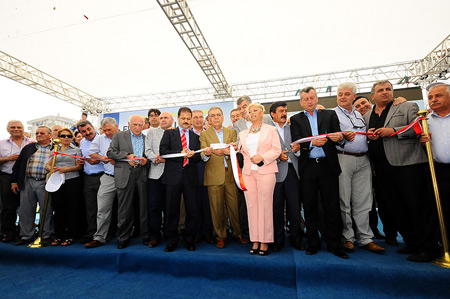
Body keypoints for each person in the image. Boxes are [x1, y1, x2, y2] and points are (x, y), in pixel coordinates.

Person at [364, 80, 440, 262]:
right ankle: (411, 242)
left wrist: (393, 130)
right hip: (382, 170)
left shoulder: (407, 106)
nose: (385, 92)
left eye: (388, 89)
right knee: (396, 208)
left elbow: (419, 127)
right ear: (372, 96)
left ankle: (429, 247)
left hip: (408, 166)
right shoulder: (366, 115)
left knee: (417, 207)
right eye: (380, 90)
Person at [290, 86, 348, 259]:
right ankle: (313, 243)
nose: (309, 101)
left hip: (327, 166)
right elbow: (296, 144)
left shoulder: (329, 115)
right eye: (306, 99)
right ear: (301, 102)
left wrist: (341, 137)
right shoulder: (296, 119)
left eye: (312, 98)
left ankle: (335, 245)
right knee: (310, 206)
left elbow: (339, 138)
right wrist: (312, 144)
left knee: (332, 207)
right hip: (308, 168)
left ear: (317, 99)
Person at [334, 82, 385, 253]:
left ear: (354, 96)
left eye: (347, 94)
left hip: (363, 160)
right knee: (344, 200)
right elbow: (330, 137)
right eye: (340, 94)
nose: (343, 97)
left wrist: (370, 136)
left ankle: (365, 238)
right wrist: (342, 139)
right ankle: (347, 237)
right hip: (343, 159)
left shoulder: (359, 114)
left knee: (364, 201)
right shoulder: (331, 114)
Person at [201, 106, 248, 249]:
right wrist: (208, 153)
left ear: (223, 117)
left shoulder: (232, 132)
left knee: (234, 207)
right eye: (213, 115)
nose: (216, 117)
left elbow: (236, 150)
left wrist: (230, 150)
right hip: (213, 176)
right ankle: (220, 236)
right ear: (208, 119)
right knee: (216, 209)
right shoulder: (204, 135)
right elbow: (203, 155)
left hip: (231, 175)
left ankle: (237, 233)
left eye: (219, 115)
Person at [238, 103, 281, 256]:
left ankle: (265, 241)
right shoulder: (243, 133)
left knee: (265, 207)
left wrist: (262, 157)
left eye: (255, 110)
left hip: (266, 172)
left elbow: (277, 150)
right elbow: (240, 151)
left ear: (262, 113)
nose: (252, 113)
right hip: (248, 173)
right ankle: (255, 239)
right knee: (251, 207)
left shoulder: (271, 130)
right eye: (250, 111)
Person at [159, 107, 201, 252]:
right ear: (178, 119)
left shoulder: (195, 136)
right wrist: (180, 153)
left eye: (188, 118)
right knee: (171, 210)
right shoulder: (169, 133)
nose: (186, 121)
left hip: (190, 176)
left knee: (192, 210)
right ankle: (171, 240)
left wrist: (192, 155)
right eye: (183, 118)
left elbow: (198, 157)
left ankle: (189, 240)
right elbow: (163, 152)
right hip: (172, 176)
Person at [107, 115, 150, 249]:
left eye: (140, 125)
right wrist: (126, 156)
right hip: (125, 175)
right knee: (124, 209)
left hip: (141, 174)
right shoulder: (119, 136)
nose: (137, 127)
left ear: (144, 125)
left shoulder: (146, 138)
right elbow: (110, 153)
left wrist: (145, 161)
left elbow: (149, 156)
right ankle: (123, 237)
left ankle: (145, 235)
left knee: (144, 208)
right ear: (129, 124)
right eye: (134, 124)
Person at [269, 101, 304, 252]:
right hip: (275, 173)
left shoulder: (294, 128)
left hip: (292, 172)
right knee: (276, 209)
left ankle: (297, 239)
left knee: (294, 208)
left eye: (285, 110)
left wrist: (297, 150)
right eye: (281, 111)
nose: (284, 113)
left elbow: (301, 148)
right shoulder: (268, 131)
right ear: (272, 115)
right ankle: (278, 241)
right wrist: (278, 157)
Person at [11, 126, 54, 246]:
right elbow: (18, 165)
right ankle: (26, 236)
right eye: (37, 133)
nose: (39, 134)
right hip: (28, 181)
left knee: (46, 210)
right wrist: (14, 181)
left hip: (45, 182)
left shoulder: (55, 148)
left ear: (50, 135)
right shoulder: (29, 147)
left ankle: (45, 235)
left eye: (42, 133)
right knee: (25, 210)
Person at [420, 82, 450, 249]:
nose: (434, 99)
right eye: (430, 97)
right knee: (441, 208)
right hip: (438, 170)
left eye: (439, 95)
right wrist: (423, 143)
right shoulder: (426, 121)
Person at [85, 117, 119, 248]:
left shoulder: (125, 136)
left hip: (125, 177)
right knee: (102, 209)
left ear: (116, 126)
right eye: (104, 130)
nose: (107, 132)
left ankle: (123, 236)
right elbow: (91, 153)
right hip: (108, 177)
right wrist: (102, 158)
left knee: (125, 210)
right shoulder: (99, 138)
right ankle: (99, 237)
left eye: (109, 129)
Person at [45, 128, 82, 246]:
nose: (66, 138)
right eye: (63, 136)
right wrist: (53, 170)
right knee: (58, 208)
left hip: (72, 180)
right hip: (57, 181)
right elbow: (47, 165)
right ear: (59, 137)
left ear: (72, 138)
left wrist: (66, 169)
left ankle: (71, 235)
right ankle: (58, 235)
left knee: (72, 208)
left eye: (69, 136)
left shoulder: (76, 150)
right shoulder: (54, 149)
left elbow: (79, 166)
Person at [144, 112, 174, 248]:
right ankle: (154, 236)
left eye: (165, 118)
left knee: (170, 207)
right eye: (161, 118)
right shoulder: (151, 132)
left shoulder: (176, 133)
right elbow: (147, 150)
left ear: (172, 120)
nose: (162, 120)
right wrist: (154, 158)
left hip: (171, 174)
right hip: (155, 174)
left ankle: (170, 235)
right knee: (154, 207)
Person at [0, 120, 31, 242]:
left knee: (26, 206)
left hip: (26, 178)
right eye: (13, 127)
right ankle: (8, 232)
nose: (16, 129)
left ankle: (23, 232)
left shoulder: (32, 142)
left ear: (23, 129)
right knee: (8, 207)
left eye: (19, 127)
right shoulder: (2, 144)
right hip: (7, 177)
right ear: (8, 129)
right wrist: (8, 158)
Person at [77, 120, 104, 244]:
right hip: (88, 177)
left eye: (89, 129)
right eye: (83, 131)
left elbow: (110, 157)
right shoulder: (82, 142)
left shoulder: (103, 139)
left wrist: (98, 161)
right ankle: (92, 233)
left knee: (103, 208)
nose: (87, 133)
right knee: (90, 208)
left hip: (103, 176)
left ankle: (104, 233)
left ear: (93, 127)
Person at [192, 109, 214, 244]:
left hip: (209, 172)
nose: (198, 119)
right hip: (194, 174)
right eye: (195, 117)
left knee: (208, 205)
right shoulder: (188, 135)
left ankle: (209, 232)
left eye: (201, 117)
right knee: (195, 205)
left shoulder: (210, 134)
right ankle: (197, 232)